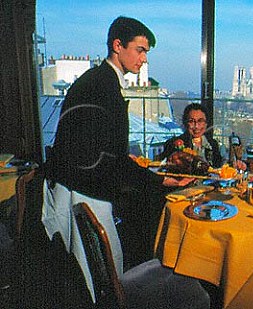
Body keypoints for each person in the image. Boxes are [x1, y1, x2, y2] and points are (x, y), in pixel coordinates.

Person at [43, 17, 210, 308]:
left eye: (146, 52)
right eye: (140, 50)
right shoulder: (103, 88)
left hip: (76, 187)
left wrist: (138, 169)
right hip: (87, 194)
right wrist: (162, 181)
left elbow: (98, 150)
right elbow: (111, 161)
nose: (144, 59)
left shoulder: (97, 81)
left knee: (92, 278)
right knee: (102, 279)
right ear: (117, 46)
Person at [157, 103, 247, 171]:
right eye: (192, 121)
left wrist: (234, 165)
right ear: (185, 123)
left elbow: (218, 166)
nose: (196, 126)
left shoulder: (212, 144)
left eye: (200, 121)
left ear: (206, 124)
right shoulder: (173, 144)